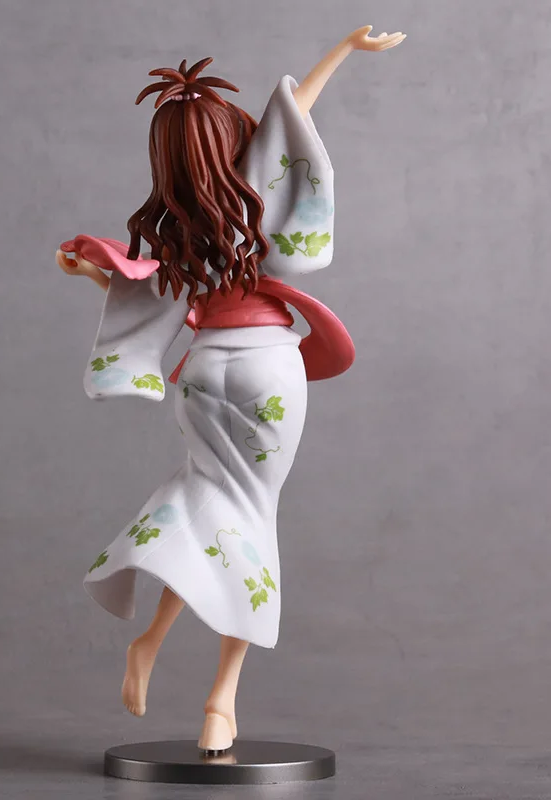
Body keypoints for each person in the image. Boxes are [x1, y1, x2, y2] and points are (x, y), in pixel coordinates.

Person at [56, 26, 406, 753]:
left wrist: (91, 271)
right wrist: (344, 49)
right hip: (268, 369)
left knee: (206, 507)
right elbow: (294, 114)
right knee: (250, 520)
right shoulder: (255, 203)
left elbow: (146, 290)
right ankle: (222, 700)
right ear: (232, 140)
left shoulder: (179, 229)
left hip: (204, 372)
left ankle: (152, 639)